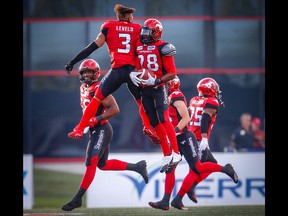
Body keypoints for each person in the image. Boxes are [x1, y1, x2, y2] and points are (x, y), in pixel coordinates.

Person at [64, 4, 160, 145]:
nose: (132, 18)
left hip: (117, 70)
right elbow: (147, 48)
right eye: (131, 15)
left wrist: (73, 61)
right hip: (133, 71)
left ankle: (79, 129)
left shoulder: (109, 26)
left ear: (118, 16)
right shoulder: (138, 28)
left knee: (96, 98)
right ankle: (147, 126)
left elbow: (93, 46)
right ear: (127, 16)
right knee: (140, 101)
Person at [61, 59, 148, 212]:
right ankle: (137, 167)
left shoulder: (99, 89)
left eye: (90, 72)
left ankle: (77, 199)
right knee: (103, 165)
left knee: (91, 162)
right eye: (85, 72)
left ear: (96, 74)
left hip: (102, 128)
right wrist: (82, 126)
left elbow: (115, 109)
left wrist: (97, 118)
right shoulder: (82, 87)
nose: (87, 75)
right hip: (95, 129)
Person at [148, 76, 238, 210]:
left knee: (197, 168)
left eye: (165, 85)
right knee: (172, 169)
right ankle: (167, 200)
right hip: (183, 137)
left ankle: (223, 171)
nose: (162, 88)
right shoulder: (176, 98)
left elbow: (191, 118)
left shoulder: (182, 97)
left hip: (186, 136)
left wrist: (203, 138)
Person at [130, 18, 182, 172]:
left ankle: (176, 153)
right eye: (144, 31)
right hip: (144, 88)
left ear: (157, 33)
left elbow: (172, 73)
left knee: (164, 118)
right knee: (154, 121)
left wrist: (157, 79)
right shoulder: (138, 45)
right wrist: (134, 73)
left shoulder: (164, 47)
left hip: (159, 87)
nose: (145, 35)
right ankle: (166, 153)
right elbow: (134, 63)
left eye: (149, 31)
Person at [182, 77, 238, 205]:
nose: (217, 91)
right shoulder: (212, 102)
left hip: (190, 135)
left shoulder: (194, 100)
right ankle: (226, 169)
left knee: (210, 163)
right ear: (210, 88)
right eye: (215, 88)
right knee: (198, 168)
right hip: (197, 139)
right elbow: (205, 119)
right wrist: (204, 138)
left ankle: (191, 187)